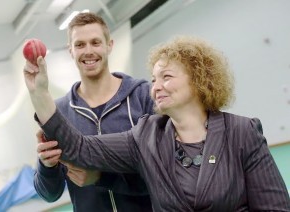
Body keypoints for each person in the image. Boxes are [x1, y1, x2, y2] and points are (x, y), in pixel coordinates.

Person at [24, 35, 290, 211]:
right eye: (153, 79)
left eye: (166, 77)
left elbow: (275, 208)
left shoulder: (242, 132)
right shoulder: (145, 136)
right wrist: (40, 94)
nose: (156, 86)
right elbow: (79, 147)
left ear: (198, 81)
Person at [30, 12, 154, 212]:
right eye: (80, 45)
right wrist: (47, 166)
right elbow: (49, 194)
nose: (88, 51)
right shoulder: (58, 112)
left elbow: (162, 173)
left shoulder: (142, 96)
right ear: (70, 50)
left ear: (109, 45)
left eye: (95, 42)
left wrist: (102, 178)